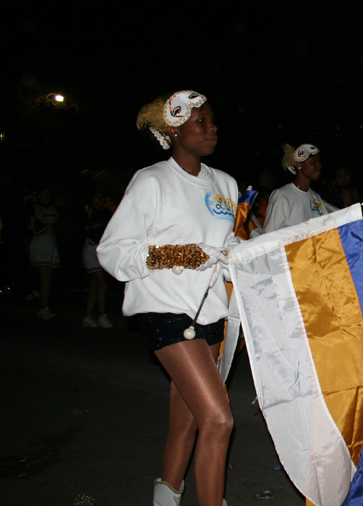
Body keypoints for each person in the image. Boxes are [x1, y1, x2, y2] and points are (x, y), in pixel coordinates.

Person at [97, 90, 237, 506]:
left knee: (188, 423)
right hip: (164, 313)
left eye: (213, 121)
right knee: (219, 419)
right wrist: (183, 255)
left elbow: (226, 249)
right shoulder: (151, 180)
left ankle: (165, 499)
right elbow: (114, 250)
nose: (212, 128)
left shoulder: (225, 183)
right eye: (202, 122)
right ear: (174, 130)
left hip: (211, 314)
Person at [261, 144, 335, 233]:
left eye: (319, 161)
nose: (319, 165)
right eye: (313, 161)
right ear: (299, 164)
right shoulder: (282, 195)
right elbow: (268, 234)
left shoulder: (316, 198)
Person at [82, 190, 114, 328]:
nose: (100, 199)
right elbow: (87, 232)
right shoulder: (86, 213)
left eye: (102, 196)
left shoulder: (107, 213)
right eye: (97, 196)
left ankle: (88, 316)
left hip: (103, 251)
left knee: (95, 287)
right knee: (103, 284)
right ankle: (102, 316)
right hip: (91, 250)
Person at [29, 186, 59, 320]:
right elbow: (37, 227)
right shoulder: (33, 208)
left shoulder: (53, 209)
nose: (46, 195)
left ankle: (42, 308)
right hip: (40, 243)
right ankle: (45, 308)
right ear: (38, 196)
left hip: (51, 243)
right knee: (46, 277)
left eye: (48, 192)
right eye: (43, 192)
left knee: (46, 278)